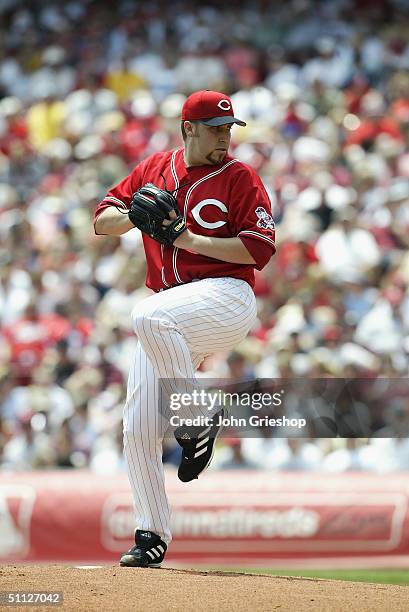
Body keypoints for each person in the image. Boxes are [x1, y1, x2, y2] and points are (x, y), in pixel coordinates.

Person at [93, 90, 276, 567]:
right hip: (170, 312)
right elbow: (102, 220)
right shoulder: (155, 168)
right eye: (216, 128)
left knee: (146, 314)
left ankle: (195, 418)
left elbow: (258, 250)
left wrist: (185, 237)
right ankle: (151, 533)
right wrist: (133, 213)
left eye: (229, 128)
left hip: (225, 297)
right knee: (136, 427)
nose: (225, 137)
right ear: (188, 129)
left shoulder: (239, 177)